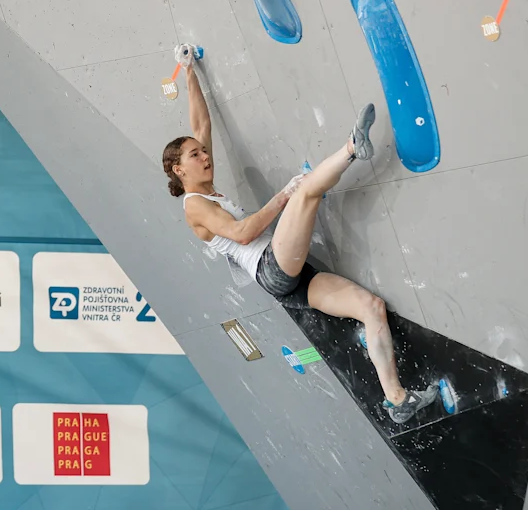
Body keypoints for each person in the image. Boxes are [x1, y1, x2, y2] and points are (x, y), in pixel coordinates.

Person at [162, 44, 437, 424]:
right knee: (304, 192)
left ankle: (398, 401)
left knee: (371, 308)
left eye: (203, 152)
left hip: (291, 279)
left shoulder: (204, 183)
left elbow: (201, 126)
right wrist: (283, 195)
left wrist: (189, 70)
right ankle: (353, 147)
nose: (206, 156)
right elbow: (242, 233)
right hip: (271, 268)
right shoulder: (194, 204)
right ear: (179, 170)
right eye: (196, 156)